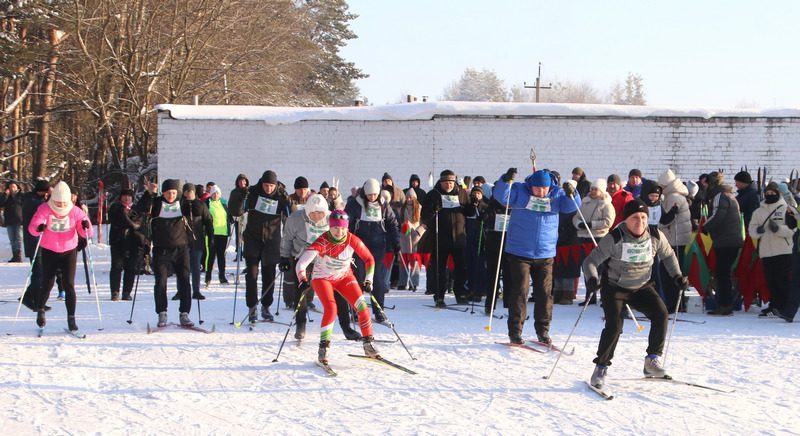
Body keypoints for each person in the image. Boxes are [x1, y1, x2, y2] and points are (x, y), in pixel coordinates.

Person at [584, 199, 688, 389]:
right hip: (615, 288)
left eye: (643, 217)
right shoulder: (615, 238)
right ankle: (601, 368)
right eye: (634, 218)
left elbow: (668, 255)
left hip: (641, 286)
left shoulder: (655, 235)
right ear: (626, 220)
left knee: (661, 314)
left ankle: (652, 361)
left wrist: (677, 276)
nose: (640, 222)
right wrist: (591, 279)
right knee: (615, 326)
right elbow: (590, 261)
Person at [493, 167, 578, 344]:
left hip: (545, 253)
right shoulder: (520, 191)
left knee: (545, 294)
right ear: (531, 185)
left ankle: (543, 331)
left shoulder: (556, 194)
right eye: (537, 188)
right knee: (520, 291)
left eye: (544, 188)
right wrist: (505, 180)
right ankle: (515, 332)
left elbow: (571, 206)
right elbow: (502, 196)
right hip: (520, 252)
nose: (541, 192)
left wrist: (573, 193)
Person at [294, 210, 381, 365]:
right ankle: (324, 348)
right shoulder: (323, 241)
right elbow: (301, 263)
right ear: (330, 227)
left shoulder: (352, 239)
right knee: (331, 309)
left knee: (362, 307)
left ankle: (368, 343)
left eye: (342, 228)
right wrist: (302, 279)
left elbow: (369, 259)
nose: (339, 232)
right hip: (322, 279)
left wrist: (369, 280)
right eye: (335, 228)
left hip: (344, 277)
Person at [280, 195, 361, 340]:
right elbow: (287, 239)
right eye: (313, 213)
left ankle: (346, 327)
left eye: (321, 213)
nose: (317, 216)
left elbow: (343, 235)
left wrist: (346, 257)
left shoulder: (332, 218)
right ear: (308, 211)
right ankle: (300, 324)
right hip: (303, 257)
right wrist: (284, 257)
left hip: (327, 260)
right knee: (302, 289)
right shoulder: (295, 219)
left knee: (338, 291)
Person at [27, 181, 92, 331]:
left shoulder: (75, 211)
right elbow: (33, 227)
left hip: (69, 250)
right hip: (49, 250)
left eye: (64, 202)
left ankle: (71, 318)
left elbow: (87, 231)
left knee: (69, 284)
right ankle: (40, 310)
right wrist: (39, 227)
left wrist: (85, 227)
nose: (61, 205)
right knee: (48, 283)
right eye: (58, 202)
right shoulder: (44, 209)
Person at [137, 178, 195, 327]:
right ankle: (162, 312)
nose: (171, 196)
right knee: (161, 281)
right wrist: (149, 193)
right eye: (168, 193)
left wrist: (193, 199)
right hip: (161, 249)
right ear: (163, 192)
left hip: (181, 248)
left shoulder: (182, 202)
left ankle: (184, 313)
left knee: (184, 280)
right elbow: (141, 209)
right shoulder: (156, 203)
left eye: (174, 193)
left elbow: (199, 211)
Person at [344, 178, 400, 323]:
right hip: (359, 246)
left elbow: (392, 223)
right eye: (369, 195)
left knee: (377, 279)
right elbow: (346, 224)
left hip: (378, 246)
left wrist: (396, 242)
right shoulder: (355, 204)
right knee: (358, 277)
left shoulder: (383, 205)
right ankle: (356, 309)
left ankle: (378, 310)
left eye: (375, 194)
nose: (372, 197)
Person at [242, 170, 290, 322]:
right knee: (251, 275)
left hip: (271, 241)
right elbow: (238, 209)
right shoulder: (253, 194)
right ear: (261, 184)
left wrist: (288, 201)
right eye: (266, 185)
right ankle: (252, 307)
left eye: (271, 186)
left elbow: (290, 215)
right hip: (253, 239)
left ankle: (266, 306)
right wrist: (240, 194)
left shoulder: (280, 197)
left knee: (269, 276)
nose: (268, 188)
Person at [418, 169, 470, 307]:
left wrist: (474, 204)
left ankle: (460, 293)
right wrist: (434, 209)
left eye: (451, 182)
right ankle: (439, 296)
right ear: (441, 182)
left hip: (459, 238)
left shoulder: (461, 193)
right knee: (439, 269)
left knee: (461, 268)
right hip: (440, 238)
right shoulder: (433, 194)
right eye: (446, 182)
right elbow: (425, 216)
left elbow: (468, 212)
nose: (449, 185)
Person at [749, 182, 795, 320]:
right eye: (768, 193)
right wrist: (757, 231)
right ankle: (773, 305)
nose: (770, 195)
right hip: (766, 252)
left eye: (773, 193)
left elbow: (793, 230)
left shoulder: (785, 208)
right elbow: (752, 229)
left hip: (783, 250)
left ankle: (783, 306)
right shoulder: (758, 212)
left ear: (778, 194)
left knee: (782, 281)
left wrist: (779, 229)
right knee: (770, 281)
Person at [702, 171, 743, 315]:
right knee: (724, 272)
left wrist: (705, 227)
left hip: (725, 240)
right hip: (732, 239)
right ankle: (726, 303)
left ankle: (725, 305)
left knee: (722, 273)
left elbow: (718, 215)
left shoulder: (720, 196)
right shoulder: (730, 195)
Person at [573, 178, 615, 306]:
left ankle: (604, 296)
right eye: (592, 189)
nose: (592, 191)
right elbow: (576, 217)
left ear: (601, 190)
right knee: (587, 267)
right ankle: (589, 296)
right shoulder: (585, 202)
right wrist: (579, 224)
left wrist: (593, 224)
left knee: (600, 268)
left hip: (598, 238)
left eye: (595, 189)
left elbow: (608, 221)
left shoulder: (606, 204)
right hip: (584, 238)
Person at [657, 169, 692, 313]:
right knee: (675, 271)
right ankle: (677, 302)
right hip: (678, 239)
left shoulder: (672, 197)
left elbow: (666, 220)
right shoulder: (677, 195)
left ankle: (673, 303)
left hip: (673, 240)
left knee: (669, 272)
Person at [108, 188, 146, 301]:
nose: (126, 198)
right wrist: (127, 217)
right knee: (116, 267)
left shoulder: (136, 209)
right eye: (124, 196)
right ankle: (115, 292)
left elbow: (138, 223)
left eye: (129, 196)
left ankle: (127, 292)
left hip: (133, 242)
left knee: (131, 268)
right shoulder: (116, 207)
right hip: (118, 241)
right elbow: (116, 220)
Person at [177, 183, 213, 301]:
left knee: (196, 267)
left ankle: (196, 290)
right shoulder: (180, 205)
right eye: (186, 191)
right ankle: (180, 290)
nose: (188, 194)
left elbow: (208, 221)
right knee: (182, 268)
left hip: (197, 241)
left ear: (194, 192)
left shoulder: (201, 205)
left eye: (190, 191)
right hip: (182, 241)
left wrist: (211, 236)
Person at [20, 179, 52, 312]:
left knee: (41, 271)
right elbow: (42, 208)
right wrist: (50, 198)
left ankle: (29, 297)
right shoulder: (31, 201)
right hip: (33, 240)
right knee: (39, 271)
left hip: (40, 240)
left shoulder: (37, 199)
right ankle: (35, 299)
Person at [465, 185, 489, 302]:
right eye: (474, 194)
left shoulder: (485, 206)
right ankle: (470, 289)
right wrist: (472, 205)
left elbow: (488, 218)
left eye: (478, 194)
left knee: (479, 265)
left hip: (480, 238)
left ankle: (479, 290)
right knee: (470, 265)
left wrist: (484, 217)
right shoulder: (468, 206)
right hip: (469, 238)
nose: (476, 196)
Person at [205, 185, 231, 286]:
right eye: (214, 193)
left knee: (221, 256)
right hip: (212, 233)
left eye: (217, 193)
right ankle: (208, 277)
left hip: (223, 233)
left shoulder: (223, 204)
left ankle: (222, 276)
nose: (216, 195)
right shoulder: (208, 203)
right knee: (211, 256)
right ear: (211, 194)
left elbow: (228, 215)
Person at [397, 188, 422, 291]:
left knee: (414, 261)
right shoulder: (402, 208)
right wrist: (403, 225)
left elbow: (422, 222)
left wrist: (417, 231)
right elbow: (399, 221)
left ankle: (414, 283)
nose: (408, 199)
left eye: (410, 197)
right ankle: (402, 282)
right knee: (403, 261)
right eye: (407, 197)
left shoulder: (419, 208)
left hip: (415, 236)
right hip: (404, 236)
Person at [227, 174, 250, 262]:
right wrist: (230, 214)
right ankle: (239, 253)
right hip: (237, 216)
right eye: (240, 181)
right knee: (238, 236)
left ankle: (247, 252)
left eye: (244, 181)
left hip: (247, 216)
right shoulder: (234, 192)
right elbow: (230, 204)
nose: (242, 183)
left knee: (247, 235)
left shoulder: (249, 191)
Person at [1, 181, 24, 262]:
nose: (12, 189)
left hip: (19, 220)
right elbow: (1, 204)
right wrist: (5, 195)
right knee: (12, 239)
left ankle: (18, 255)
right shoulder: (6, 196)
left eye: (13, 187)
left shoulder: (21, 195)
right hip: (9, 220)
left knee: (18, 238)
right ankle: (14, 255)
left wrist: (14, 195)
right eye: (10, 187)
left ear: (17, 187)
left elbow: (21, 203)